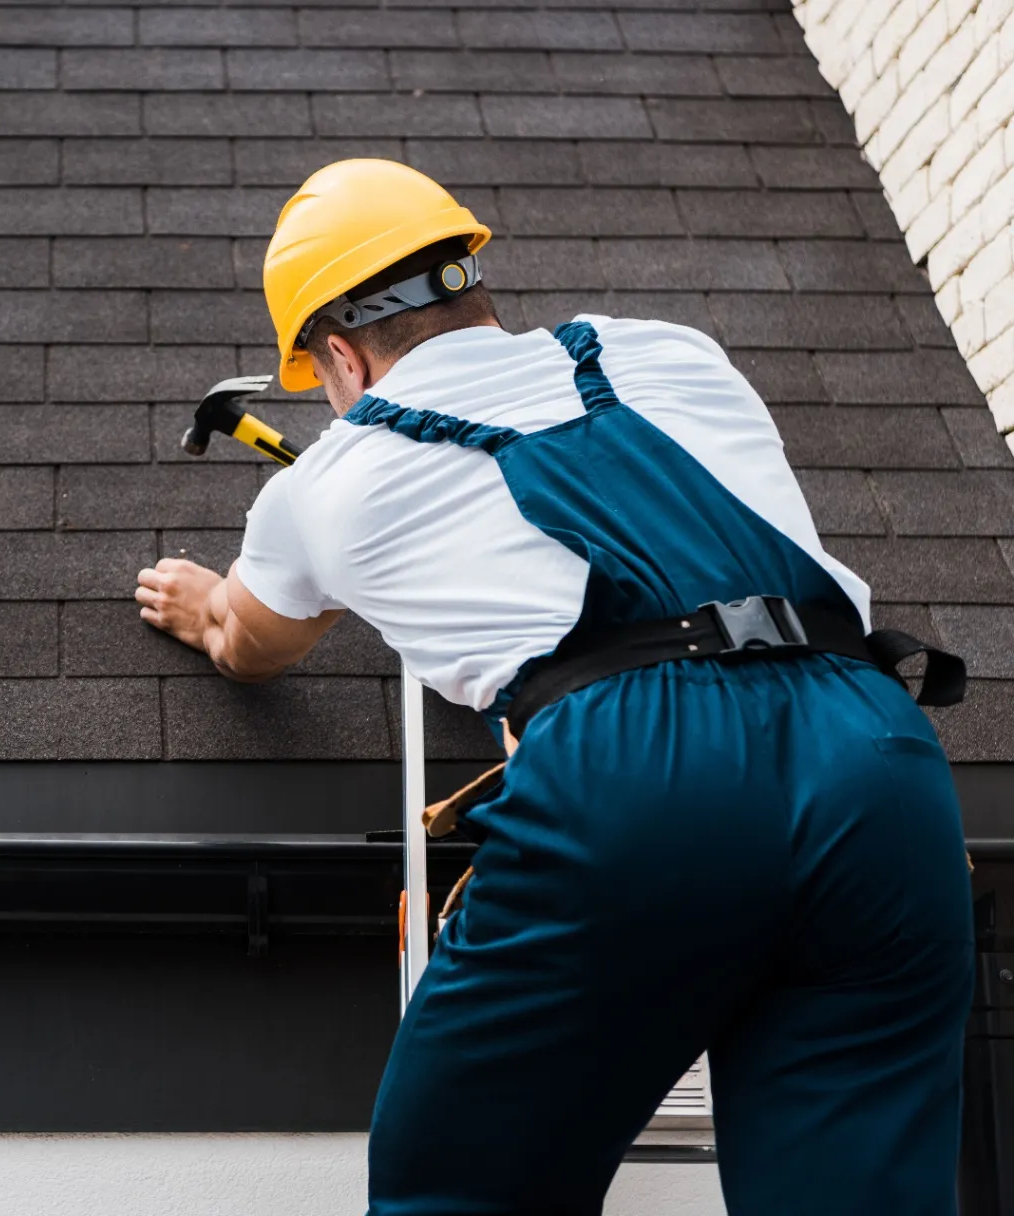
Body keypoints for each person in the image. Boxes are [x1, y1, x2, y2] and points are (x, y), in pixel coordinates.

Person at [134, 158, 973, 1215]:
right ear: (469, 282)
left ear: (338, 357)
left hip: (643, 781)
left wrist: (208, 597)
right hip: (875, 753)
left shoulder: (321, 490)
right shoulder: (674, 351)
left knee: (452, 1185)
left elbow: (246, 638)